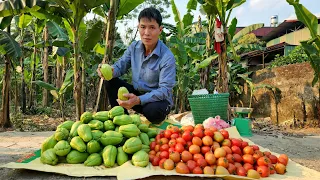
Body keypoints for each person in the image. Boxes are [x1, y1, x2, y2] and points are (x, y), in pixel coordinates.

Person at [97, 7, 176, 124]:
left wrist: (139, 100)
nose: (146, 33)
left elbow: (164, 90)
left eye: (152, 28)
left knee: (153, 112)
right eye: (143, 27)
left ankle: (147, 112)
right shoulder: (134, 47)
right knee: (110, 81)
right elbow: (120, 66)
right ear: (138, 27)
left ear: (160, 30)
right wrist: (108, 71)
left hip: (157, 101)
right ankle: (122, 120)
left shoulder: (167, 57)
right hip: (136, 95)